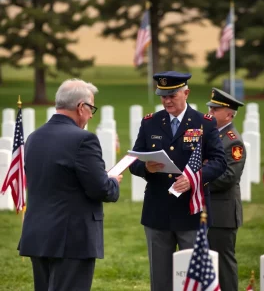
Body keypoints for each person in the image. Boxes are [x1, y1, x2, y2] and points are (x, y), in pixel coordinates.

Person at [18, 78, 123, 291]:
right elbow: (99, 188)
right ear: (81, 107)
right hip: (72, 237)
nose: (92, 114)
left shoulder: (34, 137)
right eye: (91, 107)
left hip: (38, 234)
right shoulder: (83, 140)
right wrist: (111, 181)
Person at [129, 71, 227, 291]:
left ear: (186, 93)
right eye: (163, 96)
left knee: (193, 278)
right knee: (160, 280)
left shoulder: (205, 123)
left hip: (190, 212)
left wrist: (194, 179)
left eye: (172, 95)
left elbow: (220, 162)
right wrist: (145, 167)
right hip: (158, 211)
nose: (167, 100)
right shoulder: (150, 123)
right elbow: (133, 160)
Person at [206, 87, 246, 291]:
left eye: (215, 110)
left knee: (223, 264)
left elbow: (229, 177)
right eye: (210, 109)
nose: (210, 113)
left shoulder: (233, 141)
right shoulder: (211, 135)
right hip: (205, 210)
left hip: (222, 214)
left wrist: (198, 182)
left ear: (229, 114)